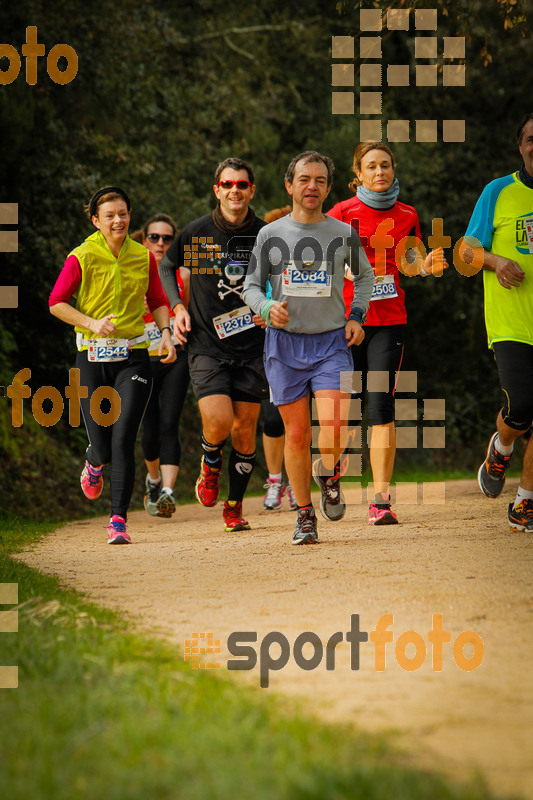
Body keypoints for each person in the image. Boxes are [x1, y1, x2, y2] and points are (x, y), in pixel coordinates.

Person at [244, 150, 374, 544]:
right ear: (290, 185)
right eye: (304, 179)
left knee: (334, 428)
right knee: (297, 435)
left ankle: (329, 470)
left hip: (332, 342)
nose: (311, 186)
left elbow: (365, 278)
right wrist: (266, 306)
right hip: (283, 346)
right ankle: (304, 515)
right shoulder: (270, 235)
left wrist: (356, 315)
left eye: (319, 180)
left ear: (328, 187)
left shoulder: (341, 232)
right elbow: (250, 287)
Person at [328, 142, 447, 526]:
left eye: (385, 165)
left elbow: (407, 263)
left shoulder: (407, 214)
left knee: (380, 405)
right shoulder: (341, 213)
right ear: (357, 173)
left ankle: (380, 500)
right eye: (371, 166)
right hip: (344, 322)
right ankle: (331, 473)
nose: (379, 172)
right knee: (341, 411)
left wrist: (425, 266)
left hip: (389, 320)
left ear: (394, 170)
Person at [49, 187, 175, 544]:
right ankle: (93, 461)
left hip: (134, 357)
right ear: (96, 221)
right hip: (91, 356)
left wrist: (165, 333)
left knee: (123, 440)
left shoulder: (142, 255)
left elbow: (156, 298)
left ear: (130, 215)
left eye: (123, 213)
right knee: (103, 448)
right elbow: (56, 302)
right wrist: (90, 323)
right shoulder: (82, 256)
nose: (118, 220)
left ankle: (117, 519)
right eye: (110, 216)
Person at [159, 158, 267, 532]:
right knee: (219, 423)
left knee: (244, 431)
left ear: (251, 190)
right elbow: (166, 267)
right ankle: (209, 462)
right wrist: (176, 307)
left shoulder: (267, 234)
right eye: (227, 184)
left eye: (242, 184)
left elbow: (285, 278)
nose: (234, 190)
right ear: (217, 190)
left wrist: (271, 307)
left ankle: (234, 507)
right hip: (207, 344)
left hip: (253, 347)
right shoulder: (197, 232)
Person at [467, 113, 533, 533]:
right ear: (521, 146)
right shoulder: (498, 191)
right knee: (523, 405)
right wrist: (495, 260)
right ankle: (502, 444)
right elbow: (464, 252)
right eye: (532, 139)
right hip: (511, 323)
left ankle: (525, 502)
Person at [139, 214, 191, 518]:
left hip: (176, 356)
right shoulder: (134, 270)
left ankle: (168, 493)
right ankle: (154, 481)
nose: (160, 243)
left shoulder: (182, 274)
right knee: (151, 427)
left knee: (170, 422)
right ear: (144, 239)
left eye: (167, 238)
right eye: (154, 237)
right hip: (142, 358)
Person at [260, 205, 297, 512]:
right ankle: (275, 481)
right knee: (273, 419)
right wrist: (259, 312)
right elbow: (245, 294)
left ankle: (297, 485)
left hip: (306, 345)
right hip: (265, 347)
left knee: (300, 421)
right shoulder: (260, 260)